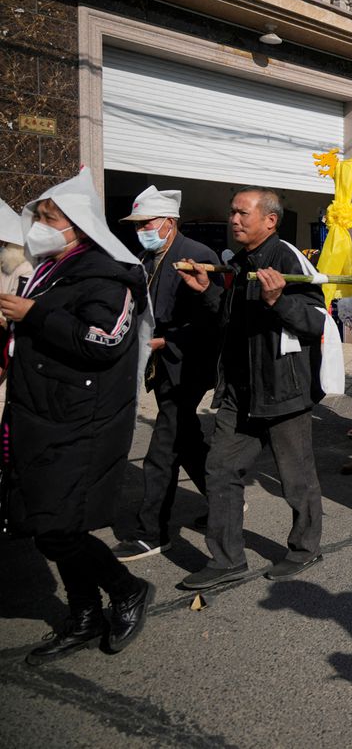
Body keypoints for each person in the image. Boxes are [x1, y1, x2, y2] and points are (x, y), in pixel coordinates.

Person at [0, 168, 154, 664]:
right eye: (38, 216)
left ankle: (126, 589)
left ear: (78, 227)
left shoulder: (108, 274)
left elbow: (104, 340)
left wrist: (35, 315)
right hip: (41, 414)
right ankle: (84, 616)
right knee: (47, 523)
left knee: (58, 527)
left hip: (82, 421)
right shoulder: (50, 270)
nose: (38, 226)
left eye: (48, 218)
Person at [175, 187, 327, 589]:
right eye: (232, 213)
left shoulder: (288, 259)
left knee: (296, 478)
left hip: (283, 388)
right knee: (221, 468)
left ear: (270, 220)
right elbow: (227, 321)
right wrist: (206, 290)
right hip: (240, 390)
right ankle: (226, 560)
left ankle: (304, 547)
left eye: (242, 213)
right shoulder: (237, 263)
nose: (234, 219)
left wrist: (279, 300)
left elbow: (316, 321)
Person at [110, 187, 223, 560]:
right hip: (161, 365)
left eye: (146, 223)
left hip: (188, 364)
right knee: (187, 438)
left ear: (169, 223)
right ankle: (224, 500)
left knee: (163, 448)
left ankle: (152, 531)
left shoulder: (198, 256)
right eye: (137, 224)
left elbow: (212, 319)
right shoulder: (146, 257)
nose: (141, 229)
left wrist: (164, 341)